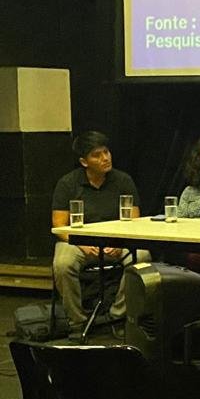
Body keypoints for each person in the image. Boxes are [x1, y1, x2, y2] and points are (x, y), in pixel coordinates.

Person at [51, 130, 151, 336]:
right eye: (97, 155)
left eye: (106, 152)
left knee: (142, 256)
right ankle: (77, 322)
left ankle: (118, 316)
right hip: (79, 242)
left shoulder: (123, 180)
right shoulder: (68, 184)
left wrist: (119, 240)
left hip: (117, 241)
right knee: (62, 264)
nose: (105, 158)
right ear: (84, 161)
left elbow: (134, 220)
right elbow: (59, 225)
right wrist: (80, 242)